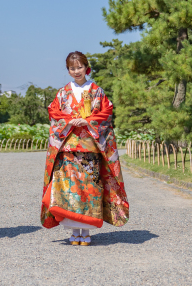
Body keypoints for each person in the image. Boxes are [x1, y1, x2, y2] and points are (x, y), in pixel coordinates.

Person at [40, 51, 129, 246]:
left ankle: (86, 231)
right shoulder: (63, 92)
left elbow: (106, 113)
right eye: (72, 68)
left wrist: (88, 121)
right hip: (68, 147)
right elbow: (54, 112)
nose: (76, 71)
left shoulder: (97, 91)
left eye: (79, 67)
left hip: (90, 147)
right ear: (68, 70)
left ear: (86, 67)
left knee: (89, 188)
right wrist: (70, 120)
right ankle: (73, 230)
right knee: (70, 189)